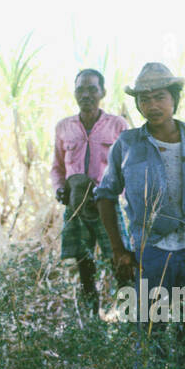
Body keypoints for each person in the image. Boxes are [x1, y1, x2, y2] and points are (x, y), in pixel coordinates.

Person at [94, 62, 185, 369]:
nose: (152, 105)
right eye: (144, 99)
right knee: (150, 330)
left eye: (159, 97)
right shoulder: (128, 143)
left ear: (174, 99)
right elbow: (105, 196)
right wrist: (119, 250)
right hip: (151, 253)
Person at [50, 69, 129, 315]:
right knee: (85, 265)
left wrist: (127, 199)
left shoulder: (117, 125)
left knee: (121, 260)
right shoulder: (64, 127)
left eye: (92, 89)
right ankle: (91, 323)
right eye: (80, 90)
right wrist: (60, 189)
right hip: (76, 205)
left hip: (106, 203)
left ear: (102, 92)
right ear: (74, 93)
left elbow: (128, 165)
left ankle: (132, 319)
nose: (86, 95)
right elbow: (57, 168)